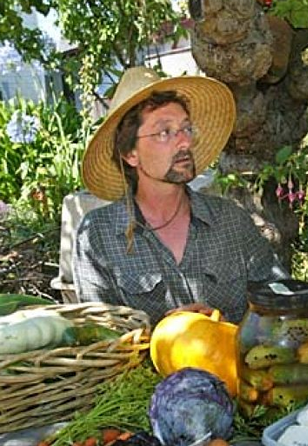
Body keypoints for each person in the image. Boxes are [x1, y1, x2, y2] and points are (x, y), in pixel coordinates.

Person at [73, 67, 288, 324]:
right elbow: (101, 333)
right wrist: (166, 335)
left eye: (186, 129)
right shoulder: (99, 235)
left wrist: (224, 327)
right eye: (164, 132)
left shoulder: (231, 221)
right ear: (130, 154)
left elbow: (281, 300)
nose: (185, 142)